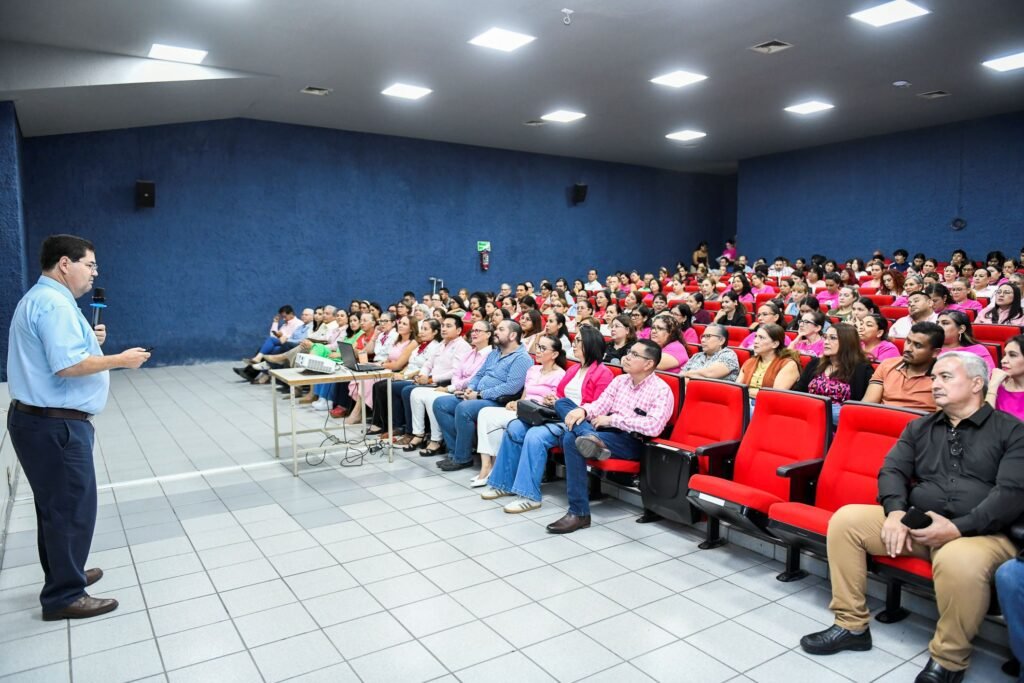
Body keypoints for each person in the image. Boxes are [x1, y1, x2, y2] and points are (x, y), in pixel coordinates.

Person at [800, 352, 1024, 683]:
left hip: (981, 534)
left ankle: (949, 660)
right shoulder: (920, 426)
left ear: (977, 384)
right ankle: (851, 625)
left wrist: (956, 528)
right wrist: (895, 513)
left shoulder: (1012, 431)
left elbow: (1011, 494)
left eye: (946, 377)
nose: (935, 384)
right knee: (847, 521)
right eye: (934, 377)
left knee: (959, 559)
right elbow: (891, 470)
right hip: (919, 522)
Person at [7, 234, 151, 620]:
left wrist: (91, 339)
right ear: (65, 264)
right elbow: (67, 366)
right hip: (55, 427)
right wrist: (120, 359)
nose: (94, 273)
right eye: (90, 265)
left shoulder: (43, 299)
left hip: (40, 422)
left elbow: (63, 352)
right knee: (71, 507)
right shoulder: (54, 305)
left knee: (56, 507)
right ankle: (63, 595)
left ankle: (64, 572)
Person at [547, 339, 674, 534]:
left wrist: (612, 420)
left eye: (634, 355)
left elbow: (653, 426)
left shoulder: (661, 390)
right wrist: (583, 411)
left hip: (631, 440)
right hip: (602, 433)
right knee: (563, 404)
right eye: (628, 352)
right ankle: (590, 438)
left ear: (648, 364)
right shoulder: (619, 380)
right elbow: (599, 406)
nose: (627, 357)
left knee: (570, 439)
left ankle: (579, 513)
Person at [485, 328, 613, 511]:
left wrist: (566, 404)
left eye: (578, 341)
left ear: (589, 345)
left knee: (535, 436)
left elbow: (599, 406)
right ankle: (502, 483)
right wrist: (553, 399)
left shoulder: (603, 373)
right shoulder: (575, 369)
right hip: (557, 415)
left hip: (575, 422)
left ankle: (529, 495)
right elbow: (560, 394)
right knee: (515, 427)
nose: (574, 344)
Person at [432, 320, 534, 472]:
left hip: (498, 401)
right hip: (478, 395)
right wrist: (470, 389)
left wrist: (479, 395)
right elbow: (479, 374)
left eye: (500, 329)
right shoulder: (494, 353)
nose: (496, 332)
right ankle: (455, 452)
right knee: (440, 404)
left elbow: (511, 388)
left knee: (464, 408)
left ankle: (463, 458)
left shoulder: (522, 358)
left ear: (513, 335)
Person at [473, 335, 567, 488]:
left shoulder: (560, 375)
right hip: (522, 409)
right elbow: (524, 395)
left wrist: (525, 405)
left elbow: (552, 403)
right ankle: (487, 466)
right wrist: (515, 402)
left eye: (543, 348)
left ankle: (495, 468)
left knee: (497, 422)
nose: (538, 351)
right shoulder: (533, 369)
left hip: (537, 414)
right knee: (485, 413)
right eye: (537, 346)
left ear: (555, 354)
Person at [409, 320, 492, 457]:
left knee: (435, 400)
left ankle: (440, 441)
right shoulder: (470, 353)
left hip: (470, 391)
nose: (474, 333)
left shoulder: (489, 354)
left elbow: (476, 377)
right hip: (458, 388)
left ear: (488, 334)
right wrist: (454, 387)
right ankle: (424, 435)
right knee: (416, 393)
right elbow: (456, 373)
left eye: (478, 331)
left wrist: (451, 388)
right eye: (473, 330)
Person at [366, 319, 442, 438]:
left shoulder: (435, 347)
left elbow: (424, 368)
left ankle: (399, 426)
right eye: (421, 328)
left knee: (391, 387)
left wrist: (404, 376)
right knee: (378, 385)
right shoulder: (420, 345)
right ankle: (382, 423)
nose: (421, 332)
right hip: (408, 374)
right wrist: (400, 373)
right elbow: (410, 364)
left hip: (418, 378)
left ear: (435, 332)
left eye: (425, 329)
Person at [793, 323, 873, 424]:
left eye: (833, 338)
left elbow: (861, 408)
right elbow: (798, 392)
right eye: (825, 337)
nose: (826, 342)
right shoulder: (815, 363)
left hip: (841, 424)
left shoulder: (862, 369)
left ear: (847, 342)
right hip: (809, 419)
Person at [862, 321, 942, 411]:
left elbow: (942, 421)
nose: (908, 348)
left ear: (935, 352)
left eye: (918, 345)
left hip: (920, 424)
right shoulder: (887, 365)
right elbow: (867, 405)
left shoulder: (943, 377)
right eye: (908, 341)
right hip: (881, 421)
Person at [737, 324, 801, 399]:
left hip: (769, 407)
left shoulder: (788, 364)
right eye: (756, 337)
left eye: (761, 338)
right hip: (745, 402)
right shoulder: (749, 362)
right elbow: (737, 388)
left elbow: (775, 395)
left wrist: (745, 392)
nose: (755, 341)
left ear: (775, 344)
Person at [986, 334, 1024, 421]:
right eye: (1004, 355)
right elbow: (984, 425)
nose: (1003, 361)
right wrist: (993, 386)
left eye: (1013, 355)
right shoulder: (997, 384)